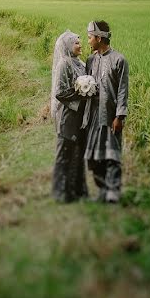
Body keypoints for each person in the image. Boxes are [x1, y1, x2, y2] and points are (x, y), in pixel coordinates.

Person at [83, 20, 129, 203]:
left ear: (99, 38)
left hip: (110, 116)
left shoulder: (119, 60)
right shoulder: (91, 60)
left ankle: (113, 193)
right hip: (92, 116)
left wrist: (119, 116)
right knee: (94, 157)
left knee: (111, 156)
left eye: (89, 37)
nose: (88, 41)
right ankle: (102, 190)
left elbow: (123, 90)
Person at [51, 30, 89, 203]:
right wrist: (79, 93)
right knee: (65, 151)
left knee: (79, 153)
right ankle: (61, 192)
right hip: (68, 115)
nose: (80, 45)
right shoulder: (64, 64)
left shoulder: (80, 63)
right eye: (76, 42)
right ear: (67, 46)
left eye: (80, 42)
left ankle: (77, 190)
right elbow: (59, 92)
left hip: (81, 116)